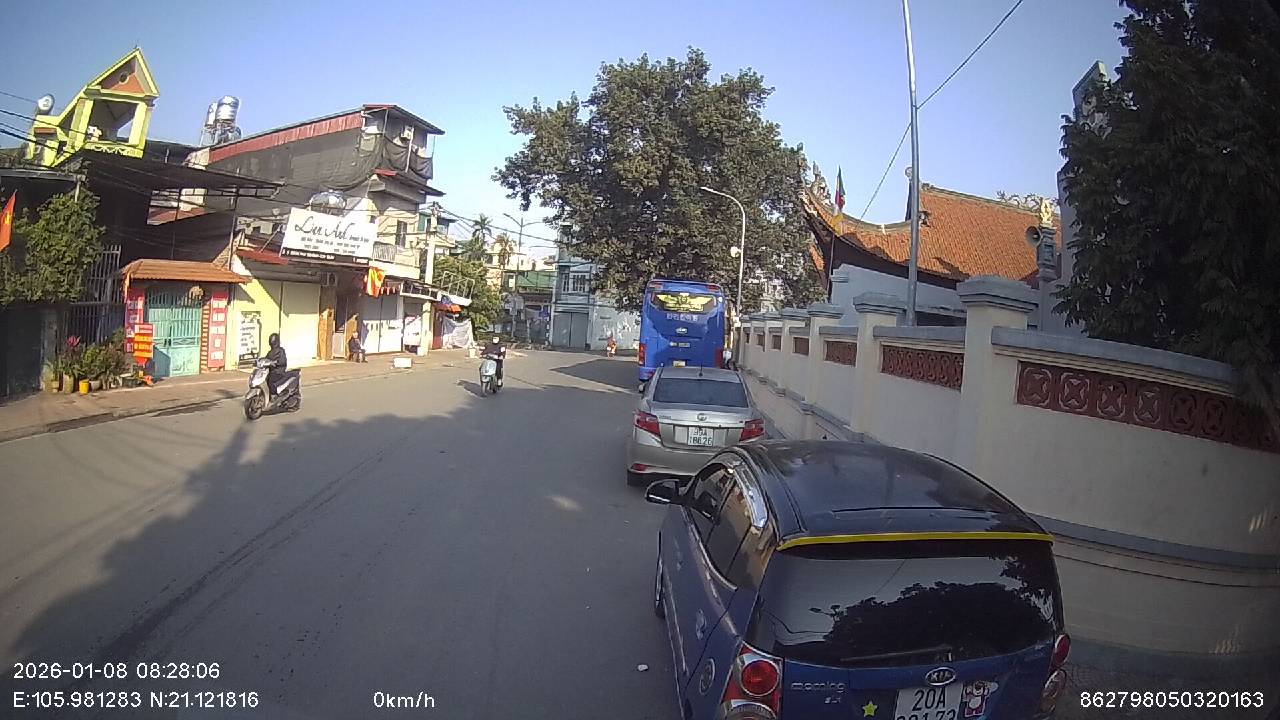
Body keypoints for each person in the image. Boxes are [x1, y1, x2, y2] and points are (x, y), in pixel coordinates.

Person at [265, 333, 288, 398]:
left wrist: (275, 362)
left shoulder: (281, 351)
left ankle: (273, 395)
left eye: (273, 341)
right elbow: (266, 359)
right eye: (271, 341)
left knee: (271, 380)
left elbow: (283, 361)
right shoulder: (270, 352)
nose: (272, 342)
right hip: (271, 371)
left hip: (279, 371)